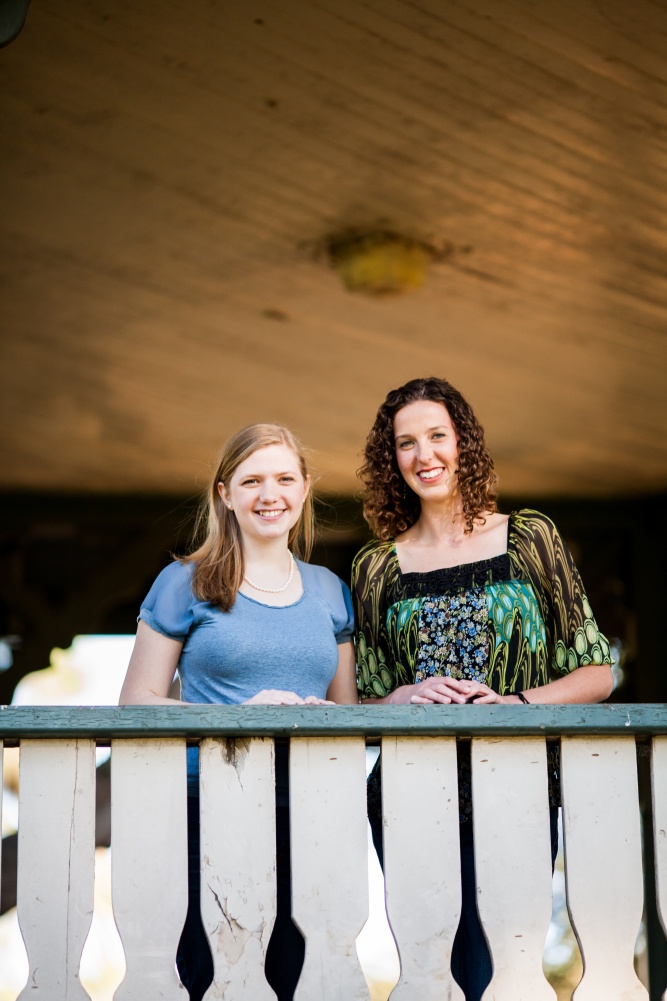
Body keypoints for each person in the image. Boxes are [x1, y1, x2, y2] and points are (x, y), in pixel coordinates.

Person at [352, 376, 613, 1001]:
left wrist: (515, 706)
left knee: (505, 965)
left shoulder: (530, 538)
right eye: (406, 443)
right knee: (435, 967)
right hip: (408, 792)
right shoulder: (374, 567)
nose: (425, 455)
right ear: (393, 461)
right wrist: (404, 697)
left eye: (437, 436)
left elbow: (598, 674)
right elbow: (358, 700)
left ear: (463, 443)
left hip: (518, 780)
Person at [119, 423, 358, 1001]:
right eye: (251, 480)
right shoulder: (185, 581)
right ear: (225, 494)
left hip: (309, 809)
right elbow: (136, 702)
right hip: (210, 804)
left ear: (304, 489)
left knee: (303, 977)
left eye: (283, 479)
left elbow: (346, 709)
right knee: (218, 975)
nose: (268, 494)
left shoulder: (330, 590)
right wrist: (240, 715)